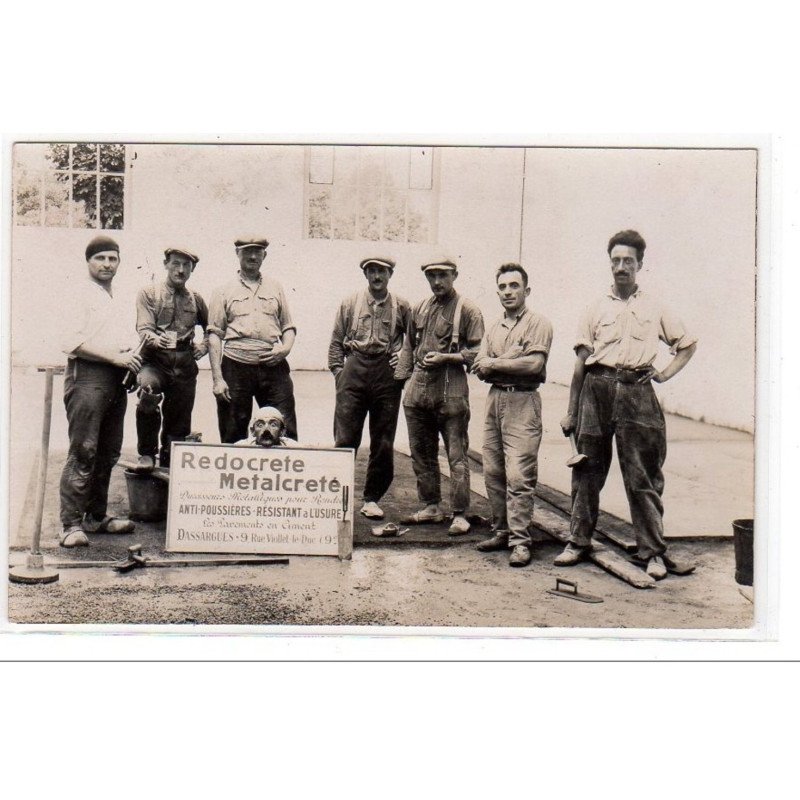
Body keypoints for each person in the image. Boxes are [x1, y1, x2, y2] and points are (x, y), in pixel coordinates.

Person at [555, 230, 697, 579]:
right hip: (596, 390)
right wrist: (572, 410)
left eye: (628, 261)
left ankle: (652, 553)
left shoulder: (655, 306)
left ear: (640, 265)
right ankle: (578, 541)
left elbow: (687, 344)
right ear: (610, 264)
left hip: (638, 394)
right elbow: (580, 365)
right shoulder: (594, 307)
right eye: (615, 260)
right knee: (587, 470)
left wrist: (663, 375)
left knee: (643, 475)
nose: (621, 267)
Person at [58, 236, 143, 548]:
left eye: (113, 259)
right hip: (87, 377)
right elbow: (71, 341)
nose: (107, 264)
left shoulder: (115, 297)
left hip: (115, 379)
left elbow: (122, 341)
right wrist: (115, 358)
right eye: (101, 258)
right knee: (84, 450)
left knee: (108, 451)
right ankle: (70, 524)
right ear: (88, 261)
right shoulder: (79, 293)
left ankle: (95, 517)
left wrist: (129, 366)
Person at [473, 264, 553, 567]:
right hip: (496, 401)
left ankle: (521, 541)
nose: (508, 292)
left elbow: (533, 367)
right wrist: (510, 358)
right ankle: (502, 531)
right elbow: (479, 365)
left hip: (523, 400)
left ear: (526, 290)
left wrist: (496, 363)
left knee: (519, 474)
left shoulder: (538, 324)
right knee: (493, 471)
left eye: (514, 286)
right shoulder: (494, 328)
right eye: (503, 287)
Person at [398, 257, 484, 535]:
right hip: (418, 391)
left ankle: (460, 512)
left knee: (456, 454)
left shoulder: (468, 310)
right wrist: (404, 381)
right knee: (421, 452)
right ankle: (431, 506)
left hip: (451, 390)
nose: (437, 282)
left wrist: (447, 357)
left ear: (455, 275)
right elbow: (410, 345)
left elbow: (478, 353)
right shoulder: (420, 307)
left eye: (443, 275)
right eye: (432, 276)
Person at [328, 256, 411, 520]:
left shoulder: (402, 306)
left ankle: (372, 498)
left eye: (382, 271)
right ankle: (335, 497)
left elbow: (414, 341)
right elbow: (335, 343)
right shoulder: (350, 303)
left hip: (385, 373)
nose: (377, 276)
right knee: (345, 438)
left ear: (390, 274)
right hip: (355, 370)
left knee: (383, 439)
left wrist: (403, 359)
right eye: (372, 271)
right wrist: (340, 375)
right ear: (365, 274)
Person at [208, 237, 298, 444]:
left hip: (273, 365)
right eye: (247, 251)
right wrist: (218, 379)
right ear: (237, 254)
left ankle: (284, 475)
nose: (253, 256)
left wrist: (285, 349)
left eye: (258, 252)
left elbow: (288, 327)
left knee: (285, 425)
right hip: (236, 365)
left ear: (264, 255)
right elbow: (214, 336)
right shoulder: (222, 290)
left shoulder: (276, 287)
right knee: (233, 430)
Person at [134, 247, 209, 470]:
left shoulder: (195, 299)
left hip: (185, 362)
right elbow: (144, 328)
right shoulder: (149, 293)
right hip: (154, 360)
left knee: (180, 417)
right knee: (148, 391)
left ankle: (170, 459)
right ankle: (147, 454)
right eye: (176, 263)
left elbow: (213, 328)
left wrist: (204, 346)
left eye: (187, 265)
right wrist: (156, 340)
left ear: (192, 269)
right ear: (166, 264)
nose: (180, 270)